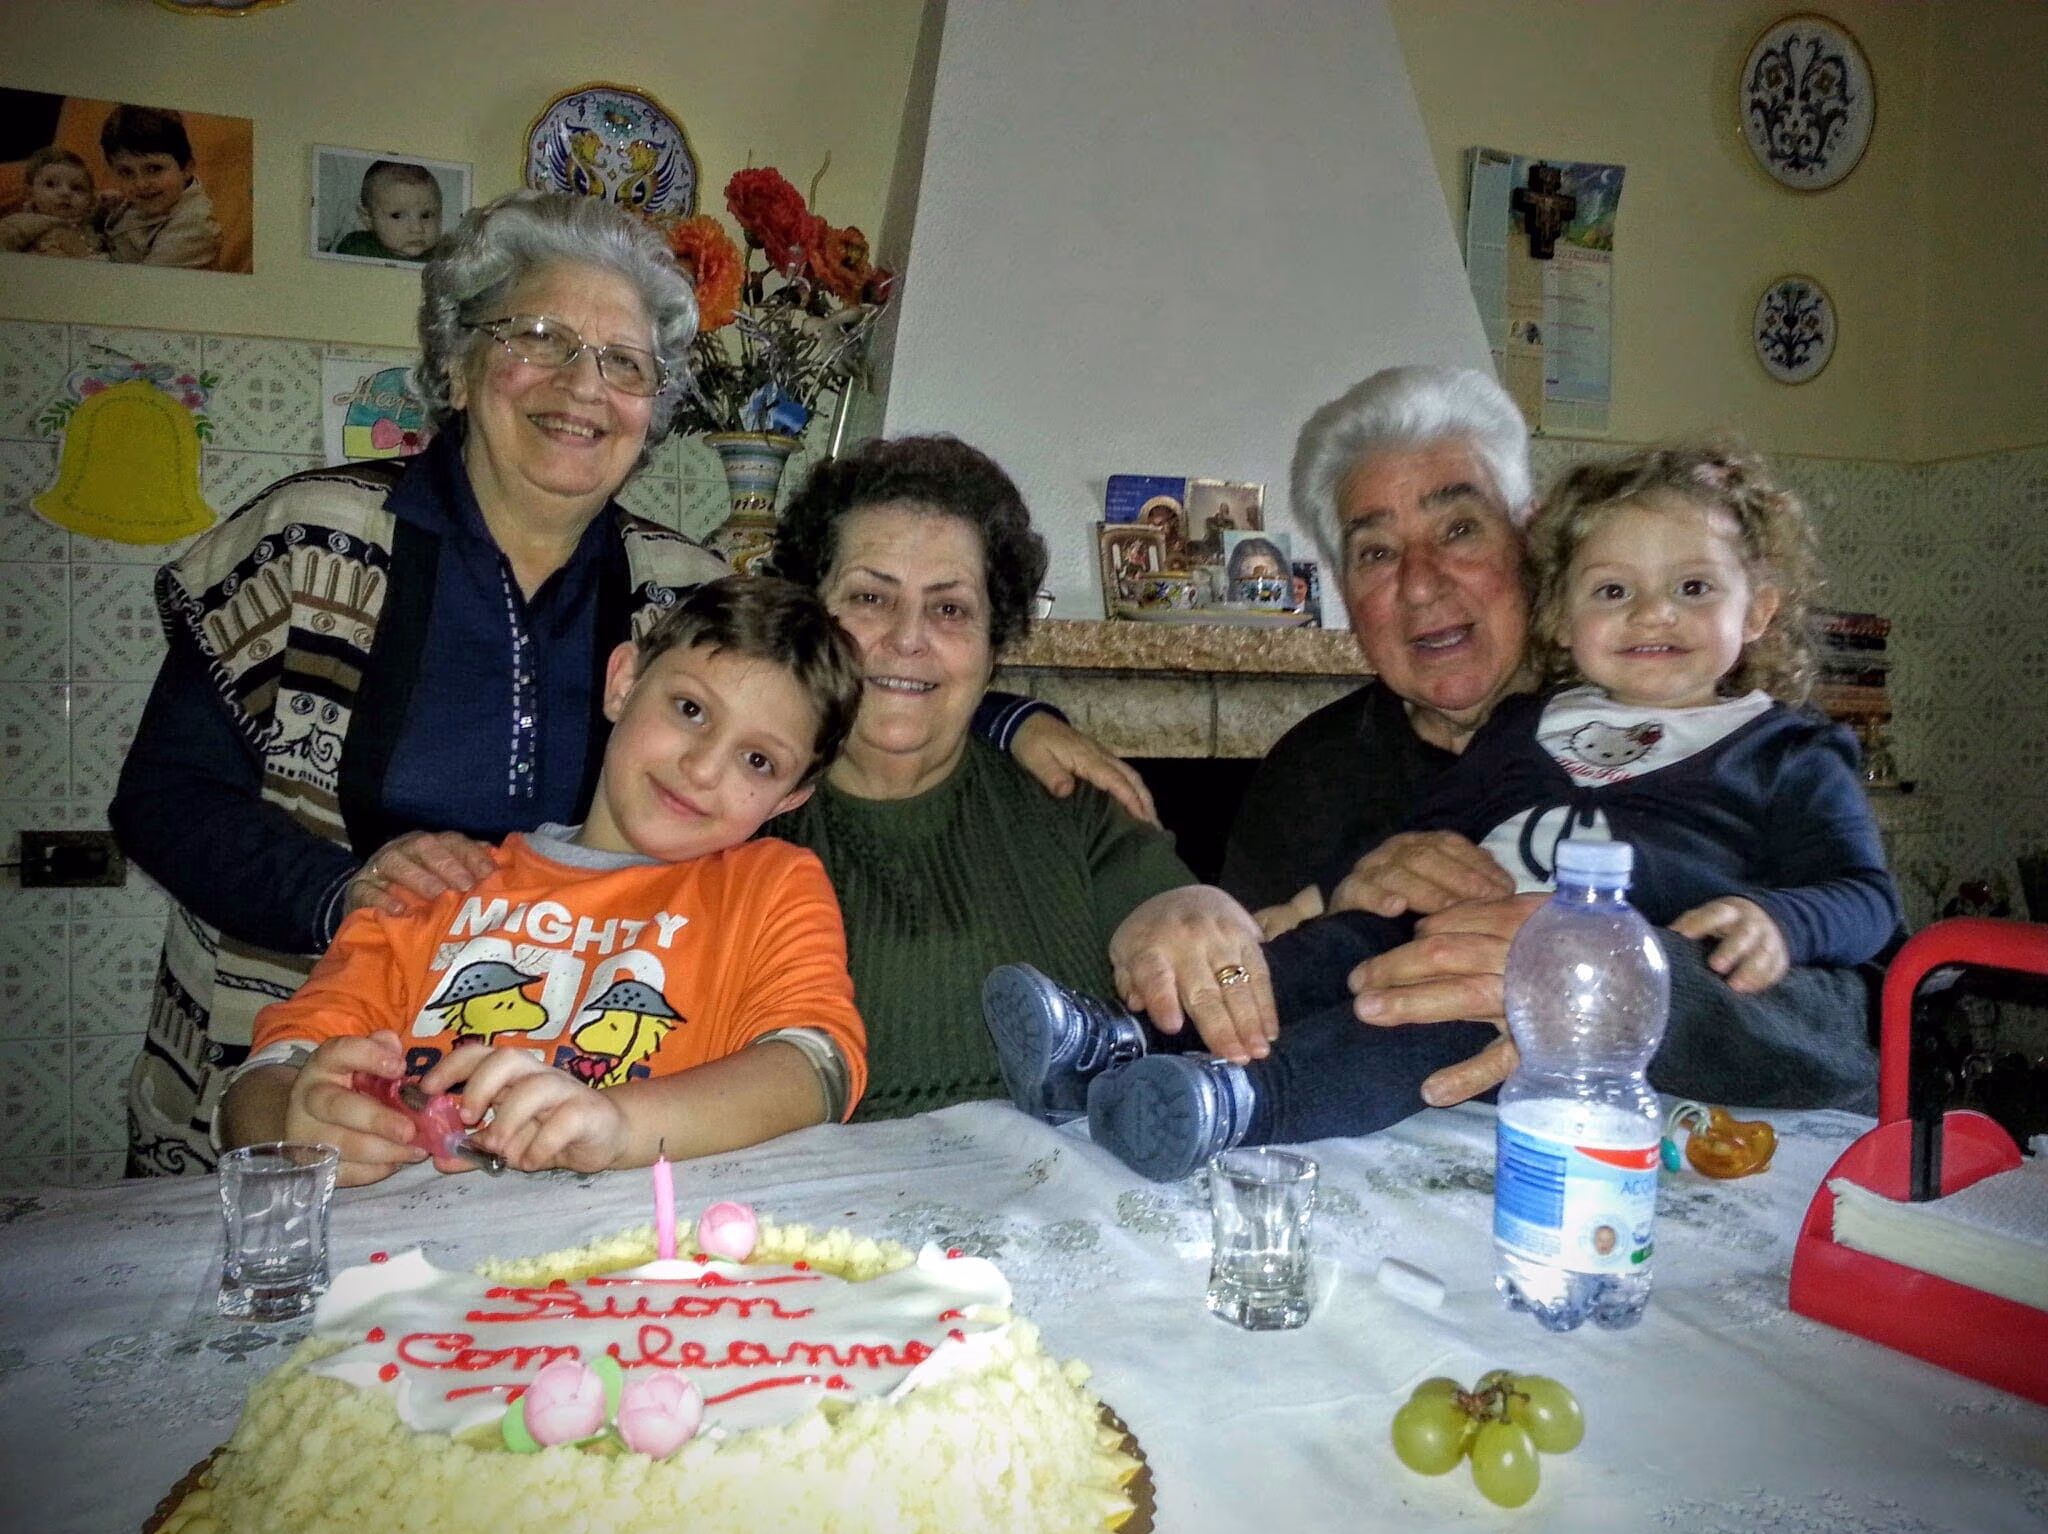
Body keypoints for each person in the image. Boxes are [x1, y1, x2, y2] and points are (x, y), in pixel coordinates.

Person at [112, 190, 1146, 1175]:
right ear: (460, 362)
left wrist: (1008, 718)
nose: (583, 387)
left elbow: (835, 678)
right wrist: (347, 896)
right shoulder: (311, 540)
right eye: (540, 338)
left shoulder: (681, 588)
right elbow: (163, 797)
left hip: (594, 1102)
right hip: (323, 1068)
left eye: (623, 363)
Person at [988, 439, 1902, 1178]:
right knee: (1338, 947)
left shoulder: (1786, 750)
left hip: (1563, 999)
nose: (1653, 614)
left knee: (1424, 1013)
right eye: (1614, 591)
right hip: (1451, 931)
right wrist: (1320, 898)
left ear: (1759, 609)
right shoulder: (1531, 727)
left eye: (1693, 588)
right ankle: (1114, 1044)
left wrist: (1781, 921)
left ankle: (1241, 1105)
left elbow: (1866, 900)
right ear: (1564, 613)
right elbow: (1423, 836)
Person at [216, 576, 867, 1187]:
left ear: (790, 797)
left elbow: (814, 1070)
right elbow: (267, 1077)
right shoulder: (434, 884)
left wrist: (618, 1126)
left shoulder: (770, 886)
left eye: (758, 760)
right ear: (624, 681)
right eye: (690, 709)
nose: (702, 768)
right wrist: (293, 1129)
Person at [764, 436, 1197, 1120]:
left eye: (950, 609)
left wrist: (1208, 919)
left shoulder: (1075, 805)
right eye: (870, 597)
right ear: (806, 616)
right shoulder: (732, 819)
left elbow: (1186, 930)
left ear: (995, 644)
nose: (908, 637)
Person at [99, 105, 221, 269]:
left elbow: (142, 281)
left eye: (154, 169)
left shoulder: (194, 227)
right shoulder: (150, 198)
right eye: (126, 172)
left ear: (186, 168)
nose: (141, 184)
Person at [0, 147, 108, 259]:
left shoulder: (94, 229)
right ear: (29, 193)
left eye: (76, 188)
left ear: (90, 200)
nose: (65, 193)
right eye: (50, 184)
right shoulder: (21, 223)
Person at [332, 158, 444, 262]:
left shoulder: (441, 258)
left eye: (426, 215)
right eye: (397, 215)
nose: (417, 228)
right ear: (368, 218)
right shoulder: (356, 247)